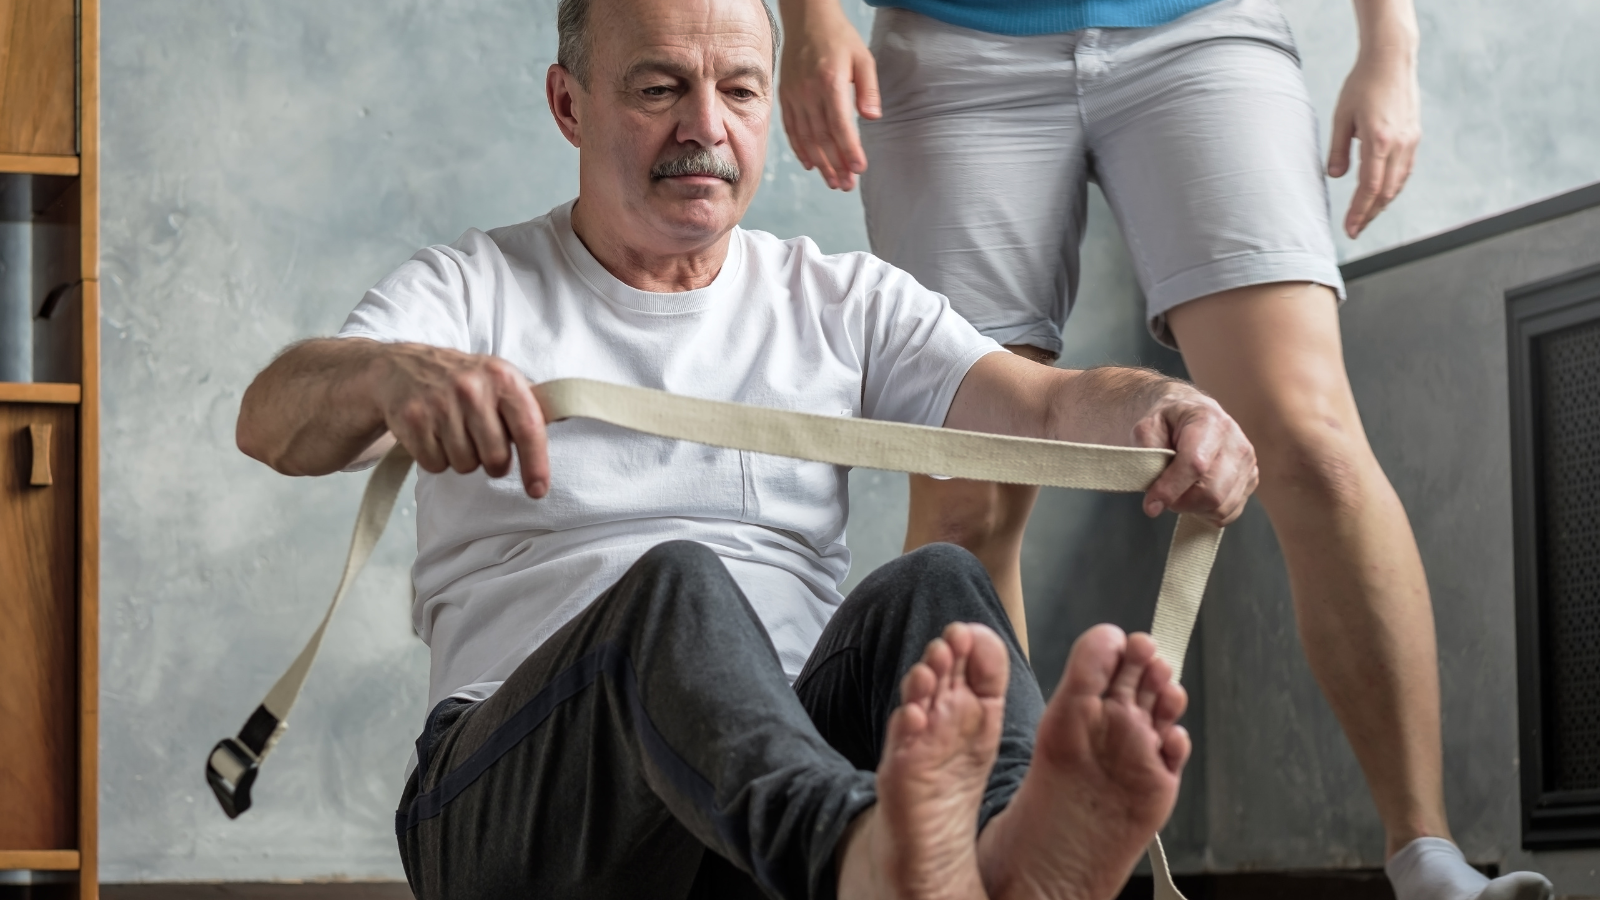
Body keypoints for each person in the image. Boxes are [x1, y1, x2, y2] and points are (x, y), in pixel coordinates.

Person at [235, 0, 1261, 896]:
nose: (705, 128)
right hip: (519, 815)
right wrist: (386, 376)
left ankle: (999, 862)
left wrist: (1170, 407)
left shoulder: (837, 299)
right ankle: (865, 860)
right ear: (568, 104)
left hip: (755, 824)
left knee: (935, 585)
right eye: (658, 89)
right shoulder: (470, 290)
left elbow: (1040, 408)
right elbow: (271, 420)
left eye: (738, 90)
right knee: (675, 585)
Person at [776, 1, 1556, 898]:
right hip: (951, 43)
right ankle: (996, 868)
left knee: (1312, 440)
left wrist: (1390, 39)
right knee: (966, 499)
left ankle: (1430, 860)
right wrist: (809, 19)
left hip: (1203, 26)